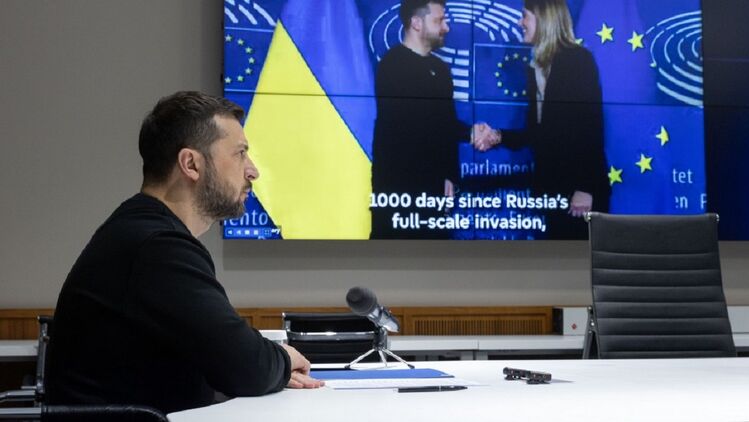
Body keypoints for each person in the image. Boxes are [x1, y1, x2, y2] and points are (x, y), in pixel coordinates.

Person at [45, 91, 323, 414]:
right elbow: (247, 366)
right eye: (240, 154)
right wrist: (283, 359)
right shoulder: (157, 248)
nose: (252, 171)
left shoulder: (142, 232)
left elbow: (229, 352)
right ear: (191, 164)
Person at [477, 0, 610, 239]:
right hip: (554, 188)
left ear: (544, 19)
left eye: (525, 16)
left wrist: (585, 187)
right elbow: (540, 132)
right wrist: (498, 136)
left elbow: (590, 128)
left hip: (580, 193)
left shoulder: (577, 61)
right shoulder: (537, 68)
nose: (520, 22)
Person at [370, 0, 498, 239]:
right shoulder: (393, 65)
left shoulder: (441, 69)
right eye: (439, 21)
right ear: (416, 23)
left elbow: (445, 120)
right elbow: (419, 123)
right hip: (399, 190)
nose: (446, 27)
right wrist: (469, 133)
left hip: (435, 190)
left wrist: (449, 175)